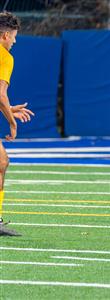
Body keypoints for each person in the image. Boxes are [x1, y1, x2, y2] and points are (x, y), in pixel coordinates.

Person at [0, 12, 35, 236]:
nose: (14, 41)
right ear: (4, 35)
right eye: (13, 37)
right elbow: (0, 94)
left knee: (1, 162)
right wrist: (12, 123)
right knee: (1, 161)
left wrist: (9, 109)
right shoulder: (4, 56)